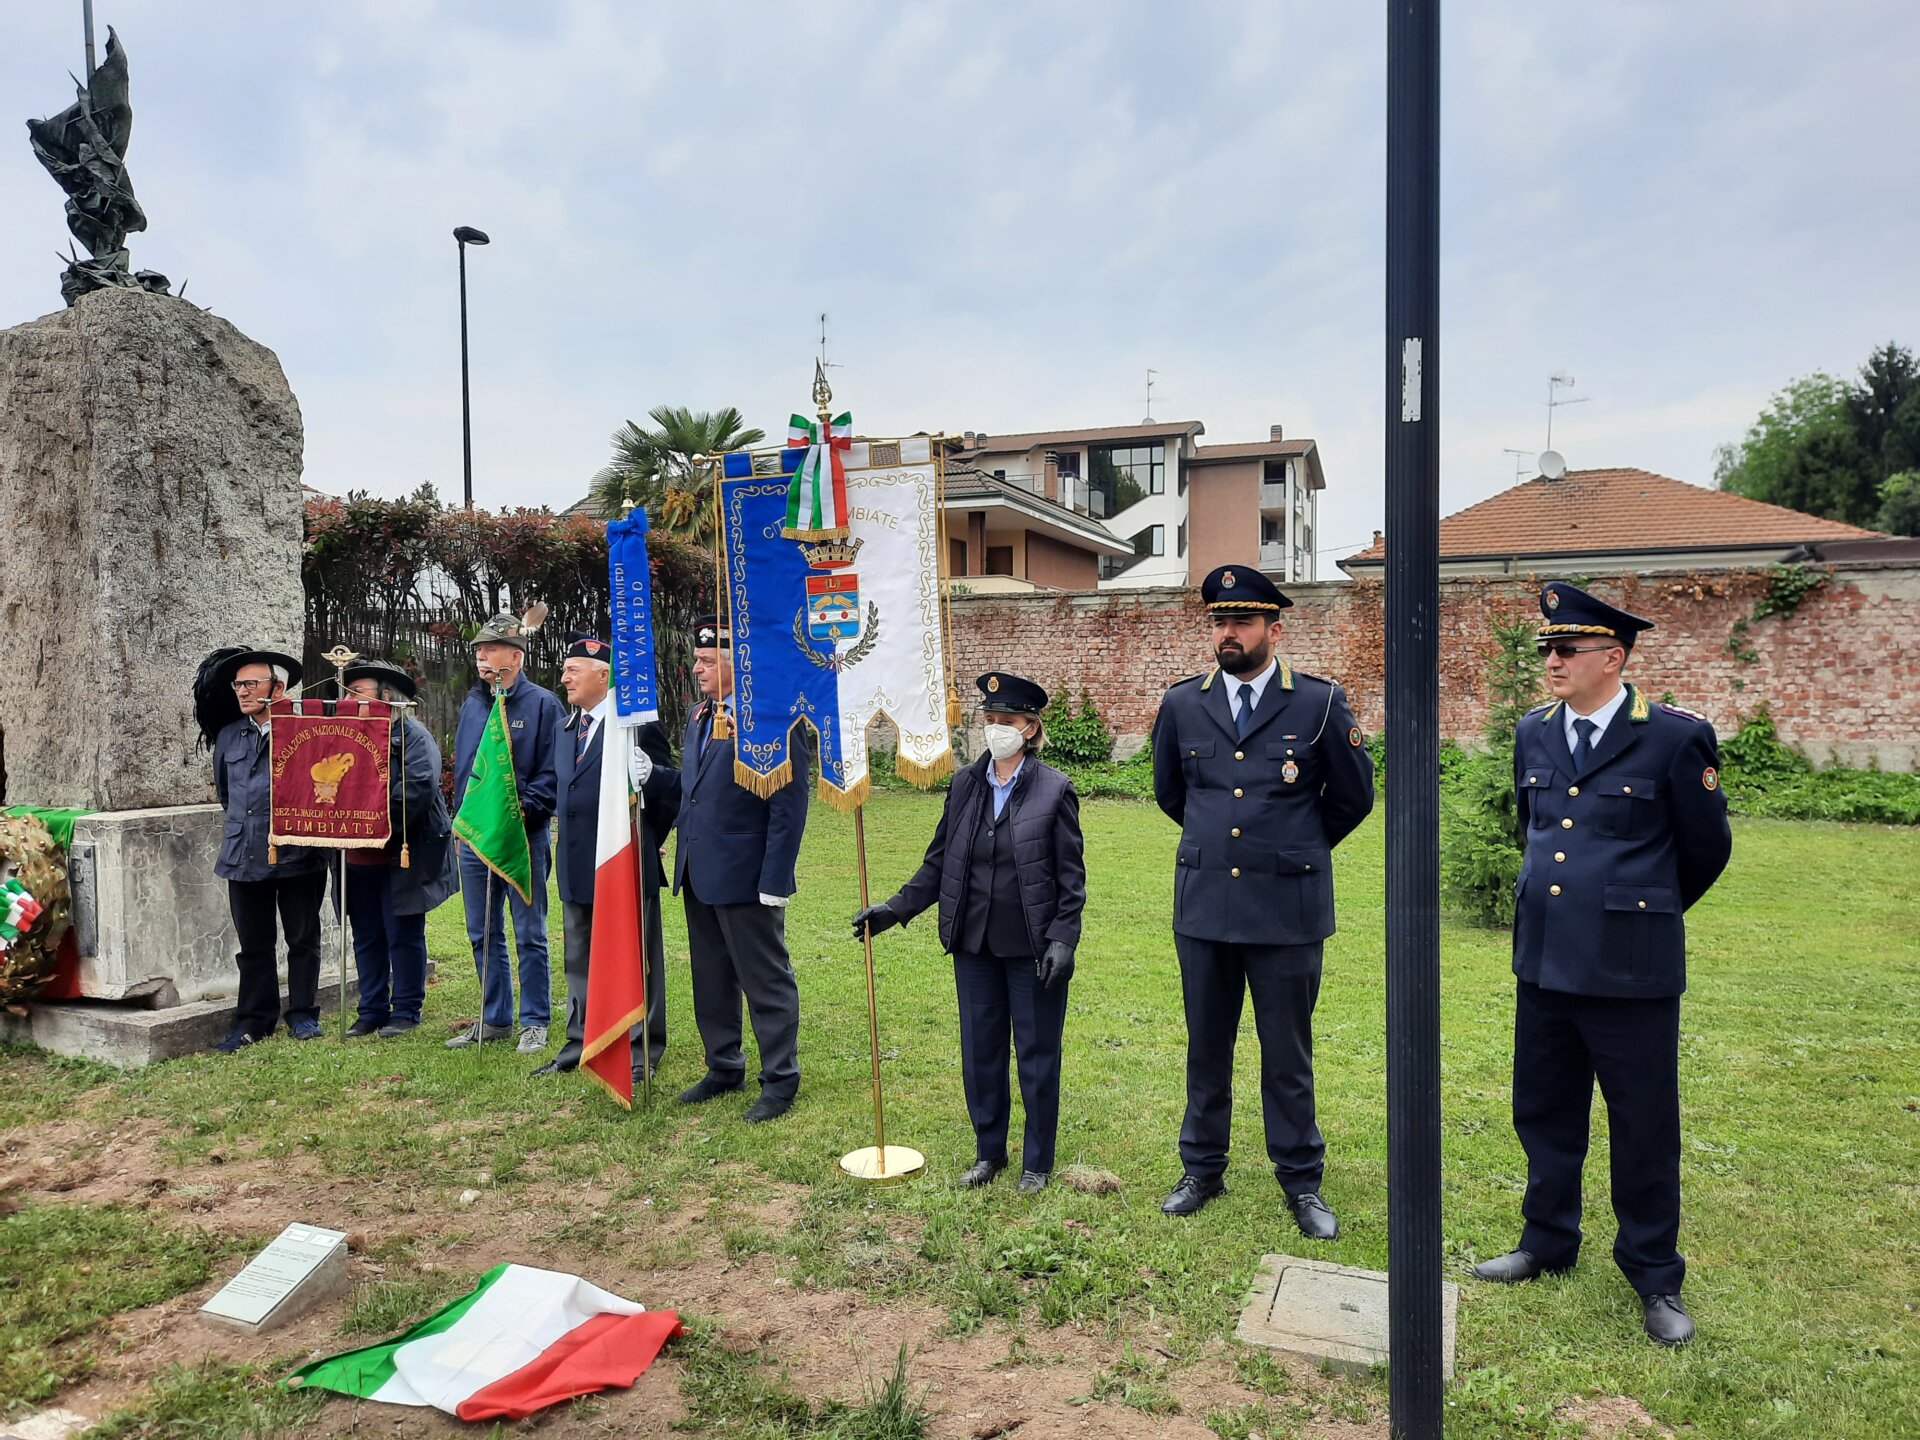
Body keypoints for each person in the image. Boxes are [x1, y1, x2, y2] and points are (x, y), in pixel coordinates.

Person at [1472, 582, 1731, 1347]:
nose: (1548, 661)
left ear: (1612, 658)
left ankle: (1654, 1275)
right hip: (1546, 960)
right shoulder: (1533, 732)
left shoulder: (1676, 738)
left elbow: (1705, 849)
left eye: (1565, 650)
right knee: (1545, 1110)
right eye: (1544, 649)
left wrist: (1637, 910)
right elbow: (1536, 828)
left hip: (1630, 967)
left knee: (1643, 1124)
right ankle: (1546, 1240)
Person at [1149, 564, 1375, 1235]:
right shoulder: (1183, 703)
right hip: (1206, 906)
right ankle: (1202, 1169)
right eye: (1219, 620)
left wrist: (1293, 846)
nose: (1228, 632)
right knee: (1206, 1048)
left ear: (1274, 629)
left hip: (1287, 911)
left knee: (1288, 1054)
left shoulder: (1319, 702)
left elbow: (1354, 797)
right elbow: (1171, 793)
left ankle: (1302, 1183)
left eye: (1242, 620)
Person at [853, 672, 1085, 1192]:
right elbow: (939, 864)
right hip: (974, 943)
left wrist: (1063, 939)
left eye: (1008, 720)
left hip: (1032, 947)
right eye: (991, 719)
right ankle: (989, 1153)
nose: (997, 728)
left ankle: (1036, 1162)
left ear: (1030, 728)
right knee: (981, 1053)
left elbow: (1072, 879)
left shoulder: (1054, 790)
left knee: (1036, 1054)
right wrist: (893, 909)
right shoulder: (964, 785)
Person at [665, 615, 810, 1122]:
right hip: (700, 870)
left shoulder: (768, 717)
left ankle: (780, 1078)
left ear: (736, 663)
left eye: (708, 661)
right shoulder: (700, 716)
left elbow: (789, 805)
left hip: (748, 875)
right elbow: (697, 791)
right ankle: (723, 1065)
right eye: (698, 659)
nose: (697, 669)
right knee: (711, 977)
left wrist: (776, 879)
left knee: (764, 979)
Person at [535, 634, 678, 1081]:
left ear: (602, 675)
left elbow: (670, 787)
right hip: (577, 862)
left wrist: (651, 824)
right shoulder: (565, 729)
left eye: (572, 670)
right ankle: (581, 1041)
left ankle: (642, 1048)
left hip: (624, 859)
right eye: (564, 671)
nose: (564, 679)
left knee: (637, 956)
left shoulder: (635, 725)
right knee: (578, 957)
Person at [448, 612, 565, 1053]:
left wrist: (521, 814)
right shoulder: (475, 703)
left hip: (523, 837)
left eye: (490, 649)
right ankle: (494, 1018)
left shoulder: (542, 704)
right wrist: (461, 818)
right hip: (476, 839)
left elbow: (551, 774)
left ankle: (535, 1019)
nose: (480, 656)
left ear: (514, 657)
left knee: (528, 932)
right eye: (478, 649)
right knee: (482, 931)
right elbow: (467, 771)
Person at [204, 648, 327, 1051]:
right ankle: (254, 1021)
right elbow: (226, 794)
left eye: (251, 683)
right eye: (238, 684)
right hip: (243, 855)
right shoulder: (228, 735)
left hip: (298, 853)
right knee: (254, 945)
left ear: (279, 687)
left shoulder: (305, 730)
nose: (242, 691)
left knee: (302, 940)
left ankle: (304, 1016)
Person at [339, 659, 459, 1039]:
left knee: (402, 932)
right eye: (346, 692)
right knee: (366, 934)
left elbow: (417, 790)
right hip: (355, 857)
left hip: (400, 852)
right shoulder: (339, 736)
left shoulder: (413, 737)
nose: (348, 700)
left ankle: (406, 1009)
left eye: (358, 692)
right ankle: (370, 1009)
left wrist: (366, 819)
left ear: (386, 697)